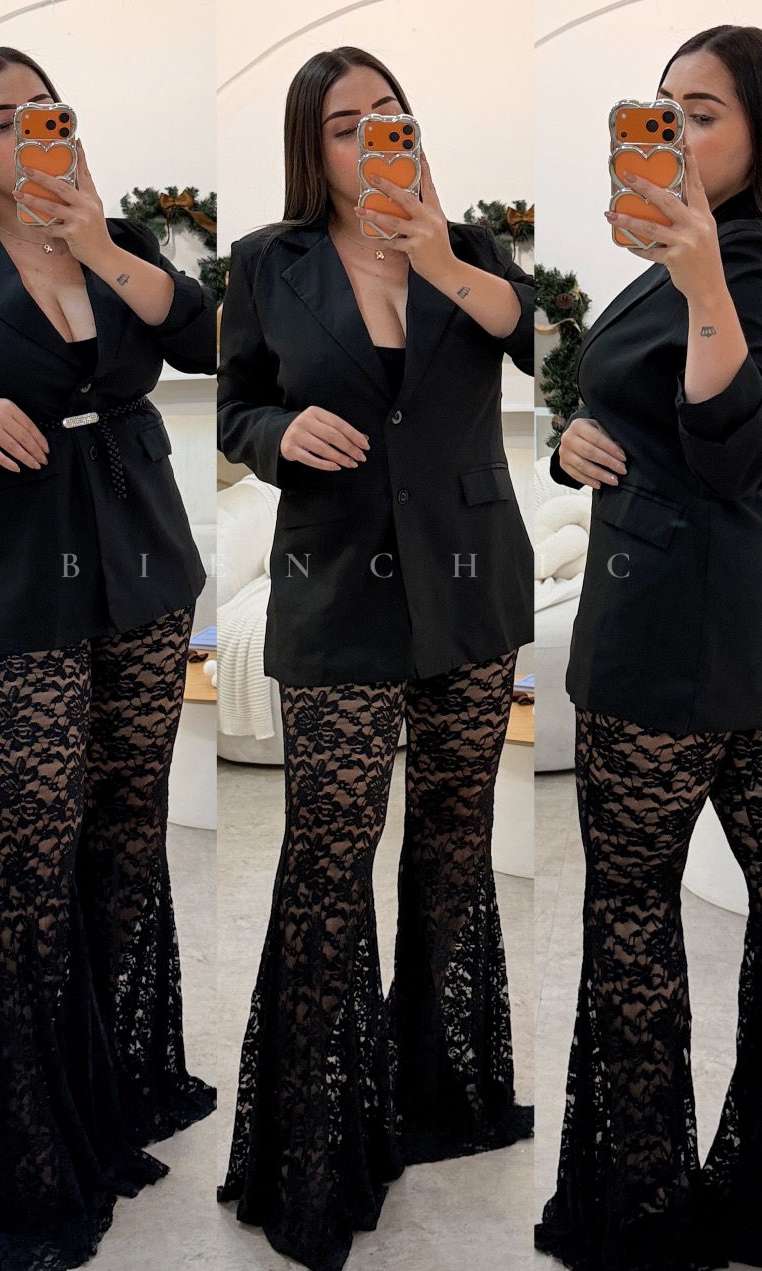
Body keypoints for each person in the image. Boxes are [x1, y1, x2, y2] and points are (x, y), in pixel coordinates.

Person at [533, 24, 762, 1271]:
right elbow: (647, 408)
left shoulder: (743, 257)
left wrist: (705, 276)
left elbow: (737, 446)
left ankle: (652, 1212)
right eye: (661, 107)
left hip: (676, 625)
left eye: (702, 112)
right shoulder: (687, 254)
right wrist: (572, 436)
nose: (671, 129)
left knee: (638, 906)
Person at [215, 45, 535, 1271]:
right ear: (313, 144)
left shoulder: (476, 248)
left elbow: (529, 338)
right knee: (327, 853)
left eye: (389, 116)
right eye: (346, 123)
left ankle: (438, 1091)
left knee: (453, 844)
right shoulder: (267, 261)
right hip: (337, 584)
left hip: (469, 580)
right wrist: (276, 431)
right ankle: (312, 1142)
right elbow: (237, 406)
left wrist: (436, 248)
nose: (371, 138)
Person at [0, 47, 217, 1271]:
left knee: (128, 828)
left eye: (47, 111)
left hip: (143, 548)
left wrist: (97, 244)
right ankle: (30, 1145)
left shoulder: (122, 237)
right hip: (21, 563)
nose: (32, 131)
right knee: (35, 843)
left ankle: (114, 1083)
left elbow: (209, 343)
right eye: (2, 119)